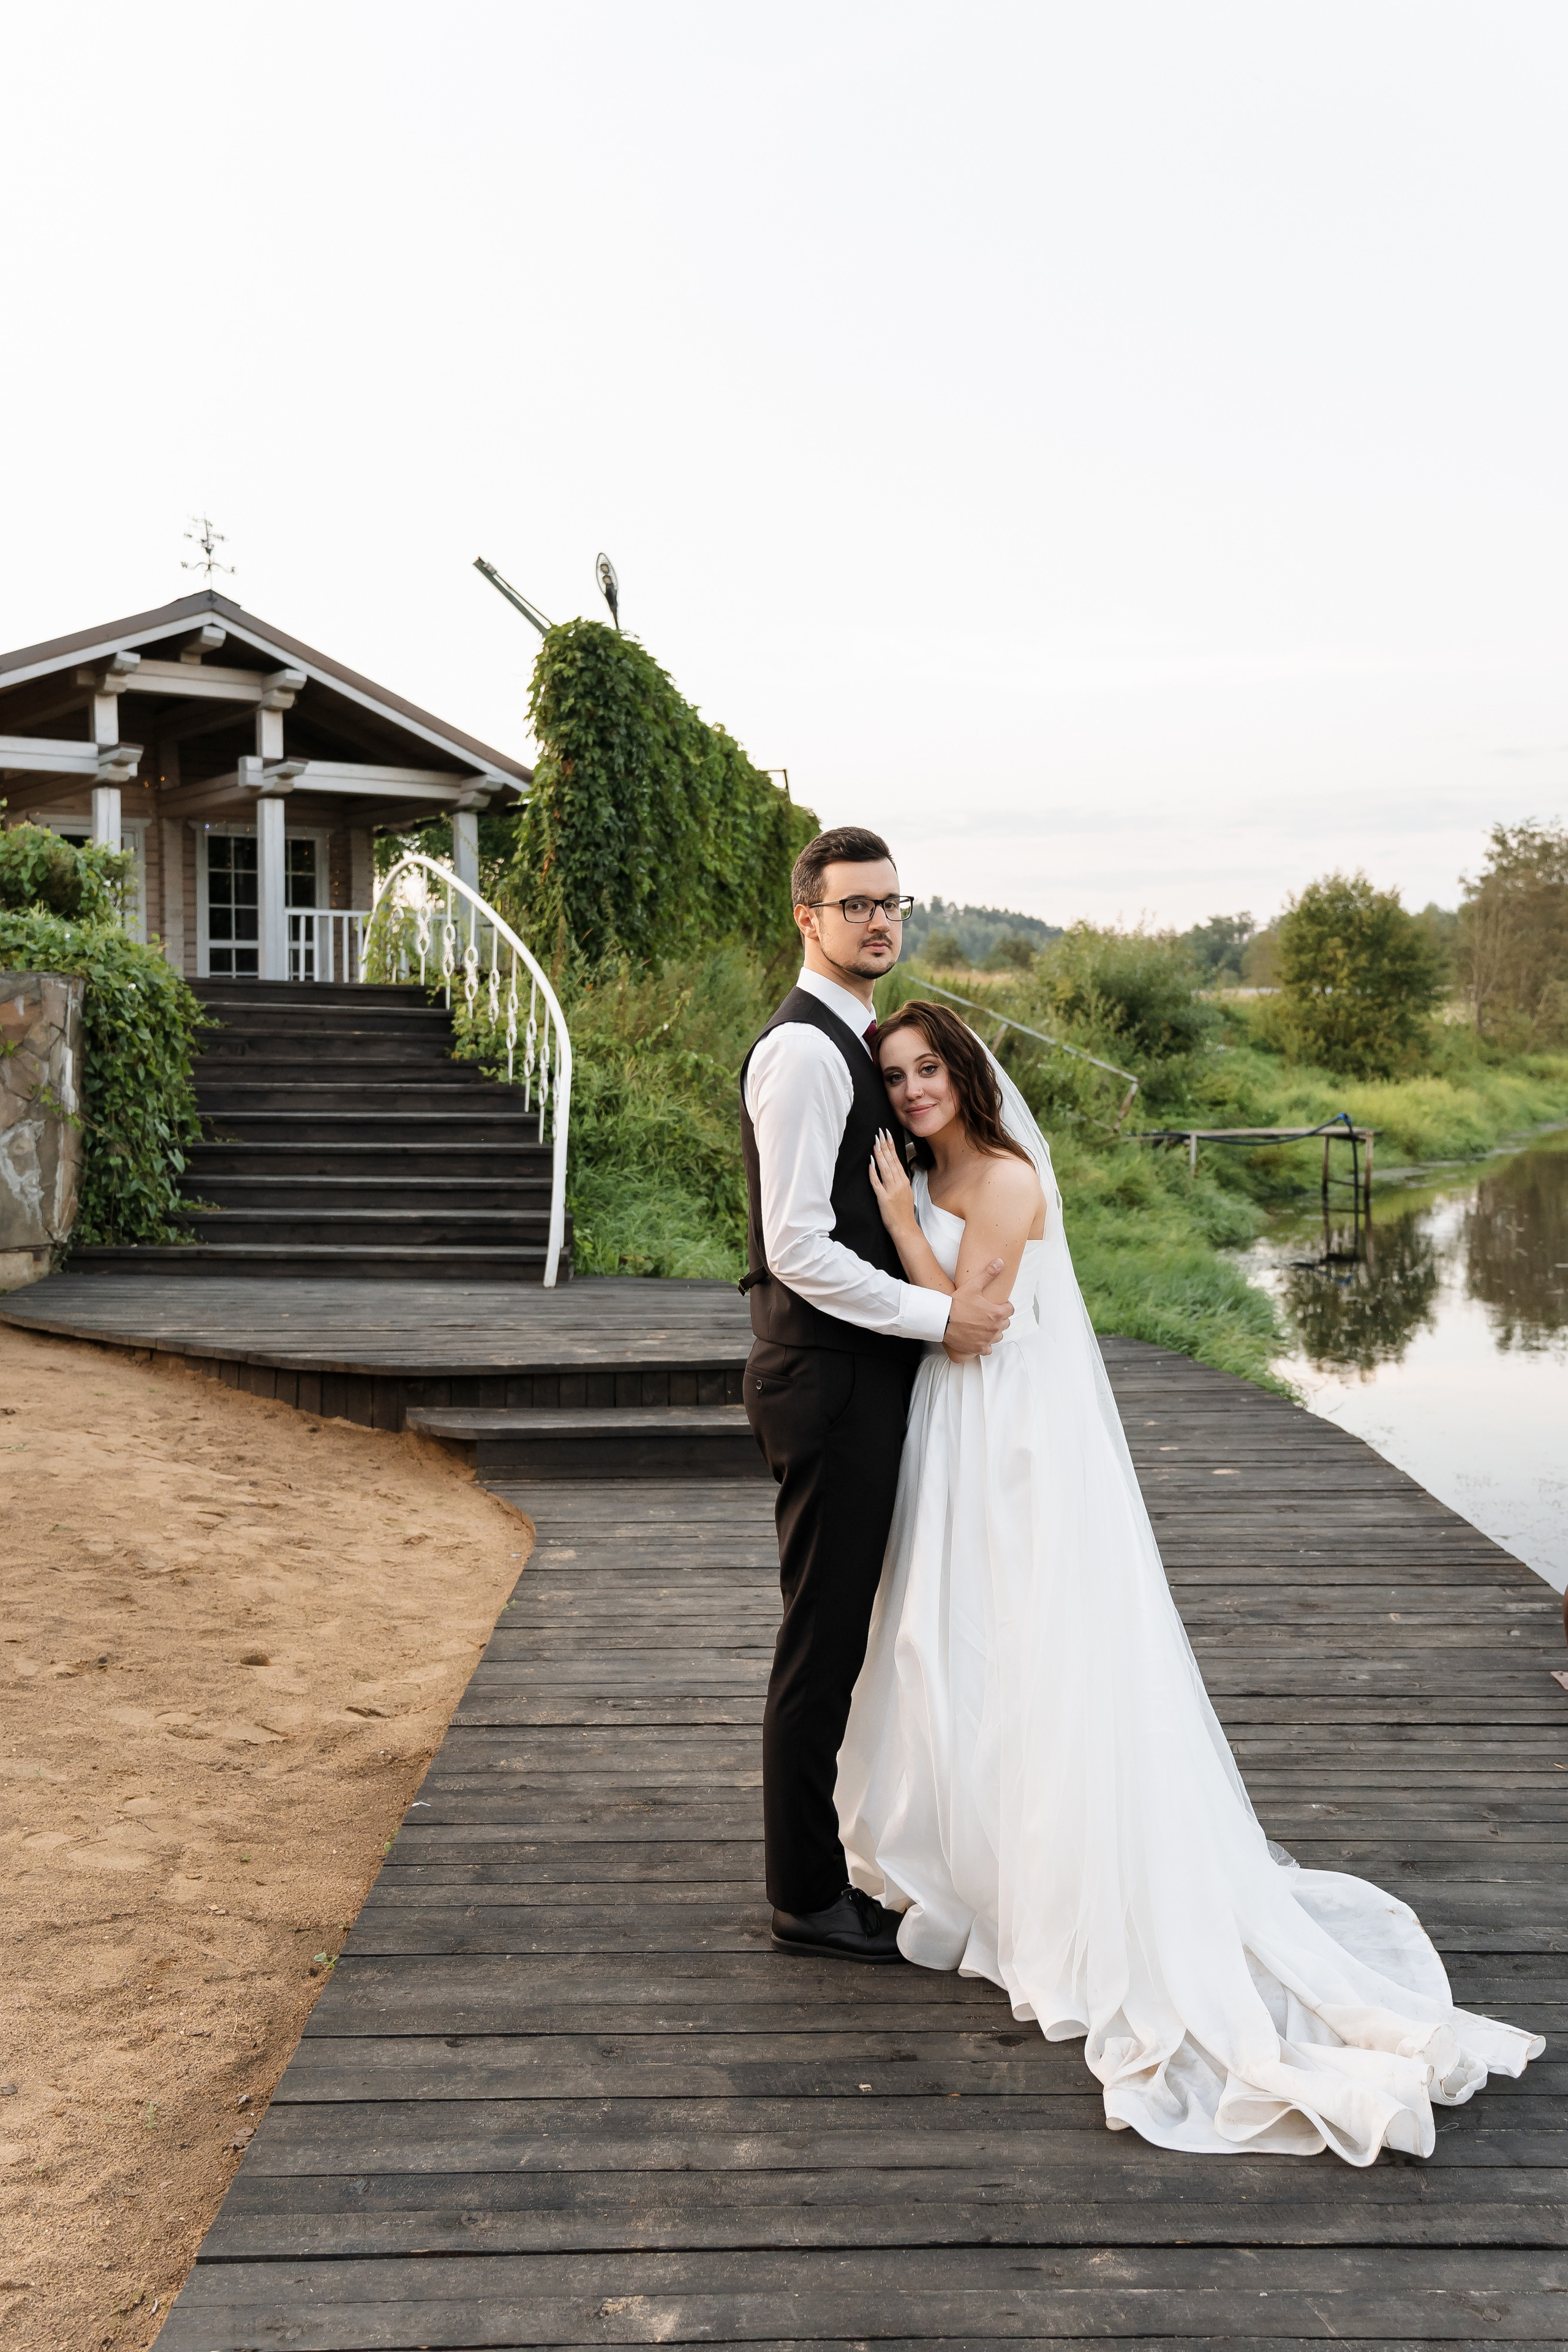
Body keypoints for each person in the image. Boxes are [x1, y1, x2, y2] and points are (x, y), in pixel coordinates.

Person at [835, 998, 1545, 2163]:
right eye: (895, 1075)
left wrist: (901, 1222)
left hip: (1008, 1431)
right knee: (946, 1640)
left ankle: (1069, 1885)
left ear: (964, 1074)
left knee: (1026, 1640)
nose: (913, 1090)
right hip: (952, 1432)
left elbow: (968, 1326)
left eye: (928, 1070)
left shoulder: (1006, 1181)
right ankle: (976, 1854)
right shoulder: (929, 1166)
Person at [739, 828, 1015, 1962]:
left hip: (861, 1376)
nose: (879, 923)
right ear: (808, 918)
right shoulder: (806, 1053)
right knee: (824, 1636)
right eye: (855, 906)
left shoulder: (863, 1040)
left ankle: (848, 1858)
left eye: (892, 904)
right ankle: (805, 1892)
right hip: (829, 1378)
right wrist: (936, 1315)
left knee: (856, 1629)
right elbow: (796, 1245)